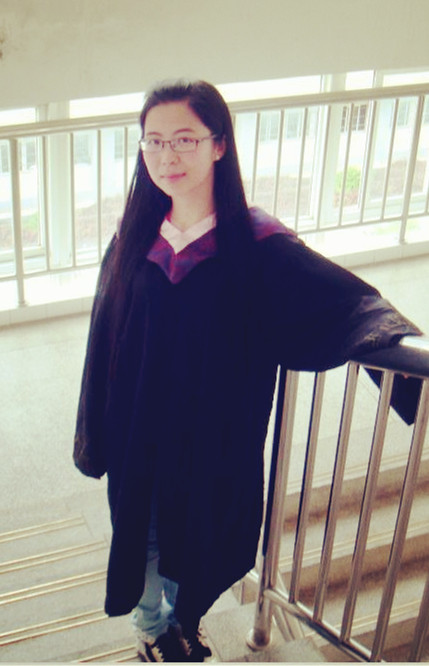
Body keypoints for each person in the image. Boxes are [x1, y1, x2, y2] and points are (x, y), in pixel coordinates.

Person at [74, 79, 421, 662]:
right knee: (145, 541)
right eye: (154, 140)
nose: (167, 155)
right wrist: (96, 431)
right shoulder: (131, 239)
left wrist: (405, 358)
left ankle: (184, 620)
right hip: (140, 430)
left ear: (219, 145)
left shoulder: (258, 245)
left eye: (184, 139)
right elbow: (103, 338)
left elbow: (349, 304)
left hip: (213, 438)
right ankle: (152, 628)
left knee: (199, 541)